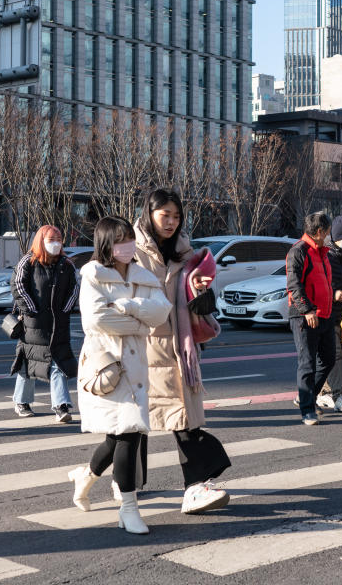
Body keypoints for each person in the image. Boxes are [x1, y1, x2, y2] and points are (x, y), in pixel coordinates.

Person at [68, 216, 171, 534]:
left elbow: (160, 312)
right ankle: (128, 509)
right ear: (105, 243)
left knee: (119, 435)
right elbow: (97, 319)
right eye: (119, 239)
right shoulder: (93, 275)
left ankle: (86, 476)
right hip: (107, 365)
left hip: (137, 367)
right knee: (127, 432)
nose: (127, 244)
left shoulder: (144, 275)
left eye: (129, 237)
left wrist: (128, 306)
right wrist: (141, 321)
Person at [135, 189, 231, 515]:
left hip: (181, 346)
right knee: (138, 427)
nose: (172, 222)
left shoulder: (184, 251)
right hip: (146, 347)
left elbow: (196, 291)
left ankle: (193, 486)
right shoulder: (132, 251)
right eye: (165, 215)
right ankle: (106, 478)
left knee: (183, 419)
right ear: (149, 213)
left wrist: (202, 293)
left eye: (176, 216)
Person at [9, 225, 79, 423]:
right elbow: (18, 285)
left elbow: (74, 289)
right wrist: (32, 309)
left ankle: (61, 405)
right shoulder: (28, 261)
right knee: (28, 362)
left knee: (58, 362)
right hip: (33, 324)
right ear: (41, 240)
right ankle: (22, 401)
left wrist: (65, 310)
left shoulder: (66, 264)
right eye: (51, 239)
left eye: (58, 239)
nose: (56, 243)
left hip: (58, 324)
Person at [286, 211, 336, 426]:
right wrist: (307, 310)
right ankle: (307, 410)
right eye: (327, 232)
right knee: (307, 363)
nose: (328, 235)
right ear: (319, 232)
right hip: (305, 316)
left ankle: (305, 396)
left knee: (328, 359)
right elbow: (294, 285)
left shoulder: (323, 252)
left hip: (325, 314)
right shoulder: (299, 251)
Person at [316, 215, 342, 413]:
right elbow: (319, 286)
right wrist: (335, 294)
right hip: (328, 314)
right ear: (337, 238)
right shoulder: (326, 257)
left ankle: (321, 393)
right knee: (335, 355)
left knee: (336, 355)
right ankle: (340, 395)